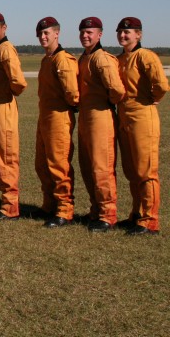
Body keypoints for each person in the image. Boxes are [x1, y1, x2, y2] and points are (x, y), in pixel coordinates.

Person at [115, 17, 169, 235]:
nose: (123, 35)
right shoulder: (120, 59)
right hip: (124, 115)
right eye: (120, 32)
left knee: (146, 170)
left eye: (128, 32)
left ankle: (149, 220)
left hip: (142, 115)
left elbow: (161, 85)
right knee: (131, 170)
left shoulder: (146, 56)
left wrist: (151, 99)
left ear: (139, 35)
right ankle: (136, 214)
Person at [77, 17, 125, 232]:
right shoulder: (84, 58)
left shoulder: (102, 59)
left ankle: (108, 214)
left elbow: (117, 90)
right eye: (83, 32)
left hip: (101, 116)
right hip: (86, 116)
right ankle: (96, 209)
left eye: (90, 32)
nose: (85, 36)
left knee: (101, 167)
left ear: (100, 34)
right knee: (87, 165)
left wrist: (106, 104)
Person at [0, 12, 27, 221]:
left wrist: (5, 93)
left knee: (6, 157)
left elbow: (18, 83)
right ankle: (6, 201)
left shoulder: (6, 50)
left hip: (3, 110)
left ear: (4, 28)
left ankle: (11, 207)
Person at [34, 17, 79, 228]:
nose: (43, 37)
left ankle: (64, 208)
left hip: (59, 118)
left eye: (47, 33)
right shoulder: (47, 60)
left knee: (59, 164)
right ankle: (49, 204)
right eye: (40, 34)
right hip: (45, 117)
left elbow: (73, 94)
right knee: (42, 163)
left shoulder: (63, 59)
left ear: (57, 34)